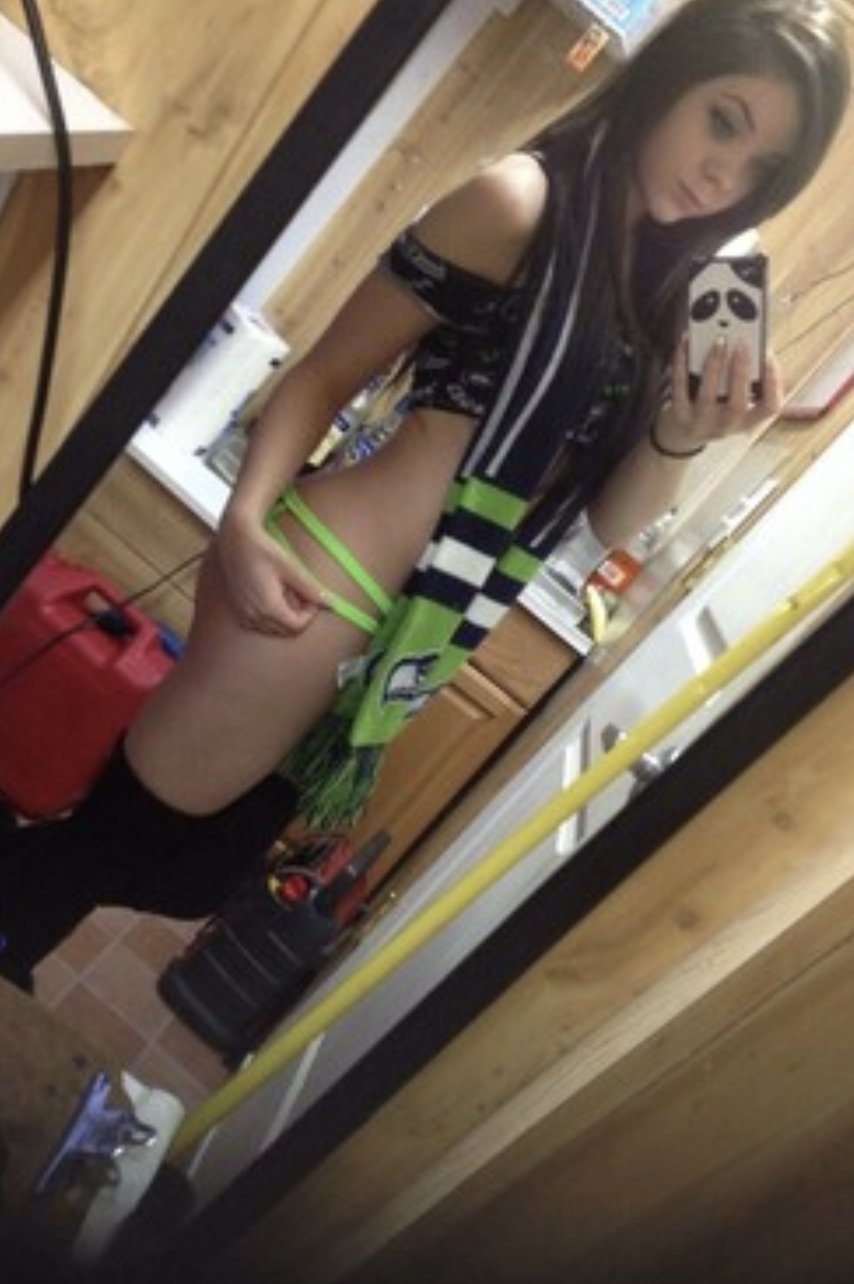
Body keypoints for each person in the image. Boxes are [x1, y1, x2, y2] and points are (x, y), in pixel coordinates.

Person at [0, 0, 849, 989]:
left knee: (188, 870)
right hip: (324, 585)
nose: (721, 175)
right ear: (671, 78)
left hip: (408, 641)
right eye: (722, 122)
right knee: (114, 847)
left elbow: (604, 521)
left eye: (757, 168)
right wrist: (243, 522)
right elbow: (323, 375)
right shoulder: (519, 202)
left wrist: (686, 434)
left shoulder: (657, 293)